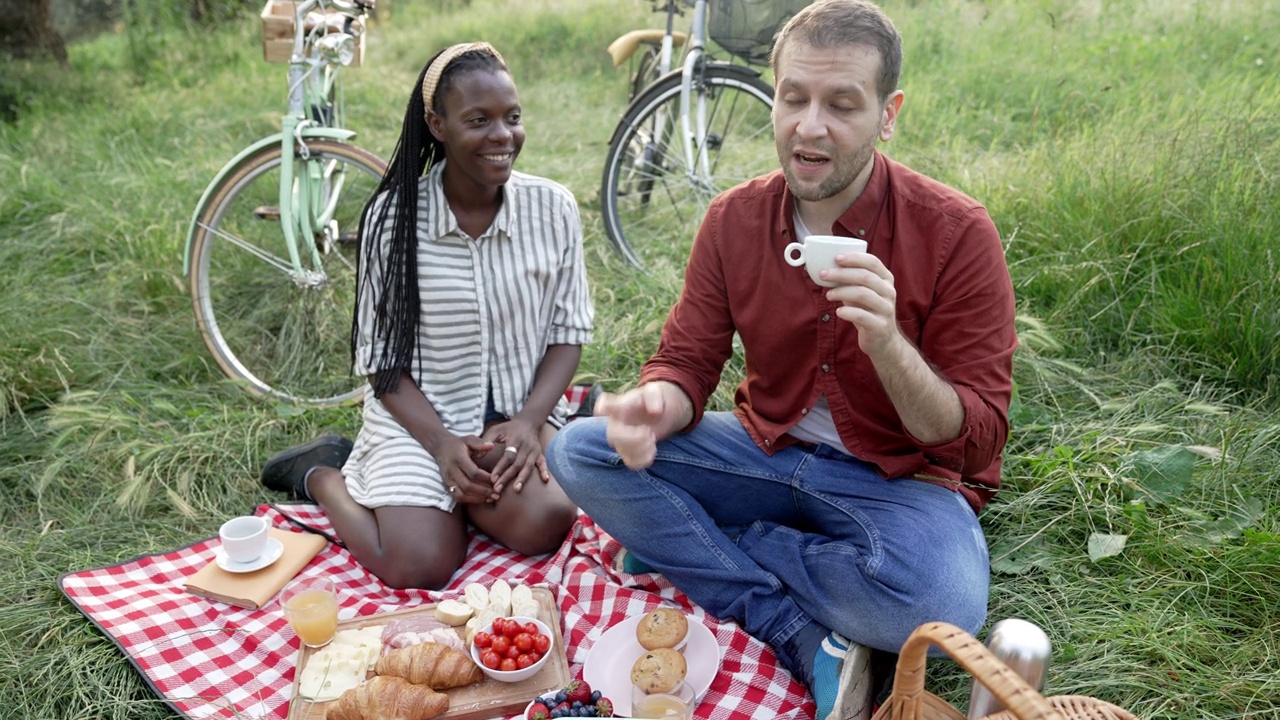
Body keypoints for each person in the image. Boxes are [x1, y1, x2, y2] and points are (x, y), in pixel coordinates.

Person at [545, 2, 1016, 719]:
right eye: (794, 97)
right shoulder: (734, 219)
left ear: (888, 115)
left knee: (940, 602)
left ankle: (705, 546)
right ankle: (796, 628)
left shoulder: (956, 233)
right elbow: (688, 359)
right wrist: (657, 403)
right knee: (580, 451)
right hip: (765, 453)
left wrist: (889, 343)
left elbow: (976, 437)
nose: (810, 125)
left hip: (899, 482)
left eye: (842, 104)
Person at [261, 42, 593, 590]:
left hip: (511, 417)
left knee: (544, 524)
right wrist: (442, 449)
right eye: (478, 120)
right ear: (437, 124)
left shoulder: (552, 208)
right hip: (420, 422)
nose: (503, 136)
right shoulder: (393, 219)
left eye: (512, 117)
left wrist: (532, 421)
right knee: (418, 565)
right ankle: (323, 473)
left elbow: (567, 332)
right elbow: (381, 361)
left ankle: (455, 502)